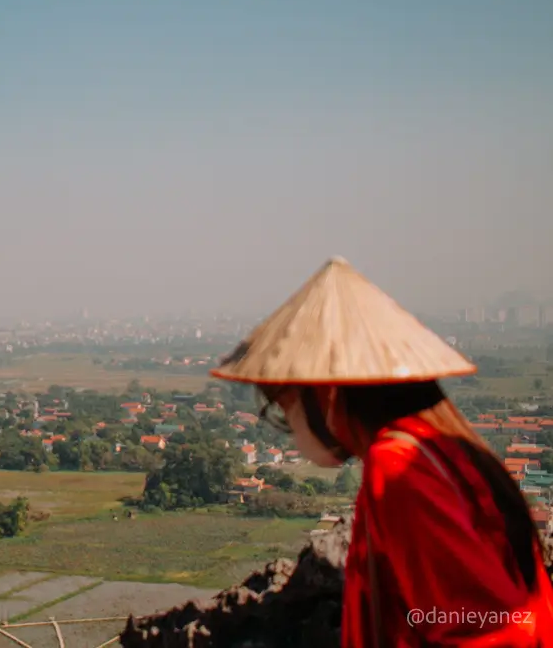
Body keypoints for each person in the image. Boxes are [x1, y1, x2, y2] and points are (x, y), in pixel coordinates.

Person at [213, 257, 553, 647]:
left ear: (328, 393)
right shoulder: (440, 449)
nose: (288, 422)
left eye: (286, 404)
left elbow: (487, 627)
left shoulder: (400, 468)